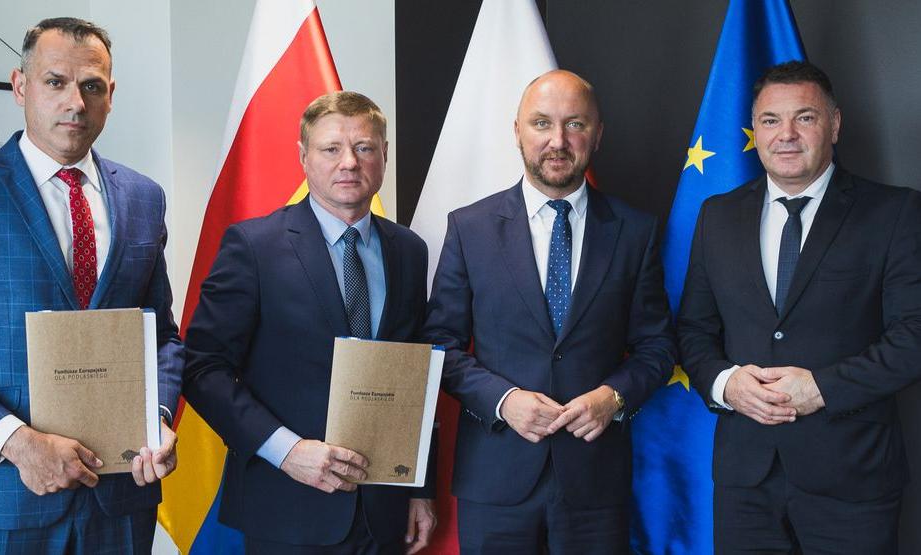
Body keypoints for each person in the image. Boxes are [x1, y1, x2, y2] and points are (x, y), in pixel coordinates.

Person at [0, 17, 183, 553]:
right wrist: (17, 443)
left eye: (91, 86)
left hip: (120, 499)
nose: (75, 102)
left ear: (110, 95)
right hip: (3, 500)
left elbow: (162, 337)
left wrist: (159, 418)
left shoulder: (143, 197)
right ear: (20, 86)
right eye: (55, 82)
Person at [422, 69, 676, 554]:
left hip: (595, 482)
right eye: (542, 123)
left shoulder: (635, 231)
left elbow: (657, 347)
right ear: (517, 131)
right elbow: (439, 347)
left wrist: (613, 397)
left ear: (597, 135)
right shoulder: (470, 228)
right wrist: (504, 400)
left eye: (575, 124)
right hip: (495, 479)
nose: (558, 140)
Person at [678, 60, 921, 553]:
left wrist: (821, 388)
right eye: (770, 120)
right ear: (755, 129)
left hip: (852, 480)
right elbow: (693, 331)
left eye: (804, 118)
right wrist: (727, 385)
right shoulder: (717, 215)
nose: (786, 134)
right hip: (745, 482)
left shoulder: (895, 213)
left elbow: (913, 336)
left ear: (834, 124)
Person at [183, 91, 436, 554]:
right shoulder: (254, 246)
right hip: (287, 505)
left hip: (384, 512)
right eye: (331, 148)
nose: (349, 162)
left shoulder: (409, 251)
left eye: (364, 147)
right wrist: (287, 451)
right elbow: (202, 369)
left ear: (384, 155)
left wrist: (420, 486)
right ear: (303, 156)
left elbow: (417, 376)